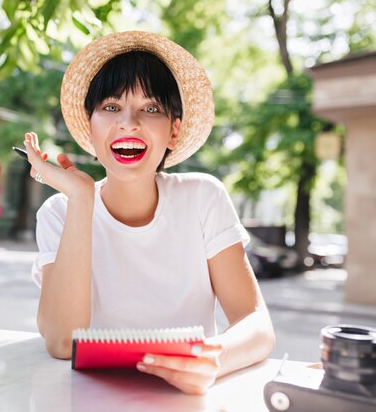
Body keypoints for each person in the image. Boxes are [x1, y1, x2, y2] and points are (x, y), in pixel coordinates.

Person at [23, 31, 275, 395]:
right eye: (110, 107)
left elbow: (257, 325)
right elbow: (63, 343)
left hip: (186, 397)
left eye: (151, 108)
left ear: (174, 130)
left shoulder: (203, 197)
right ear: (90, 127)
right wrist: (80, 198)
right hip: (88, 398)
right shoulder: (59, 211)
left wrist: (212, 359)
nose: (129, 122)